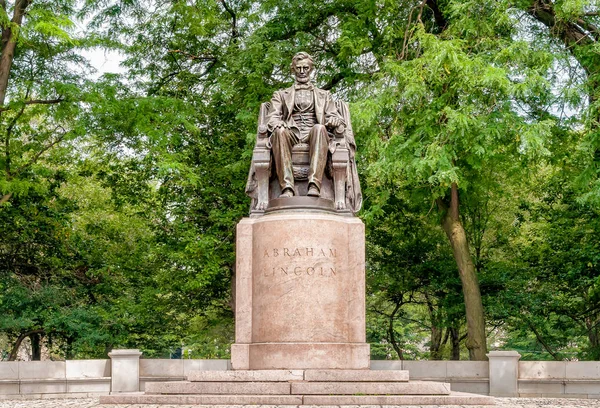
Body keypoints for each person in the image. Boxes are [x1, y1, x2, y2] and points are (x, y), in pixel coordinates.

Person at [266, 52, 345, 198]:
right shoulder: (281, 95)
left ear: (311, 69)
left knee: (319, 128)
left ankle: (314, 185)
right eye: (298, 68)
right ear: (293, 69)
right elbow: (272, 117)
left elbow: (334, 115)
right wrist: (279, 125)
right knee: (279, 132)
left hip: (313, 133)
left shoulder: (324, 95)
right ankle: (287, 188)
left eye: (305, 68)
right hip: (291, 132)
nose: (302, 72)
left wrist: (334, 120)